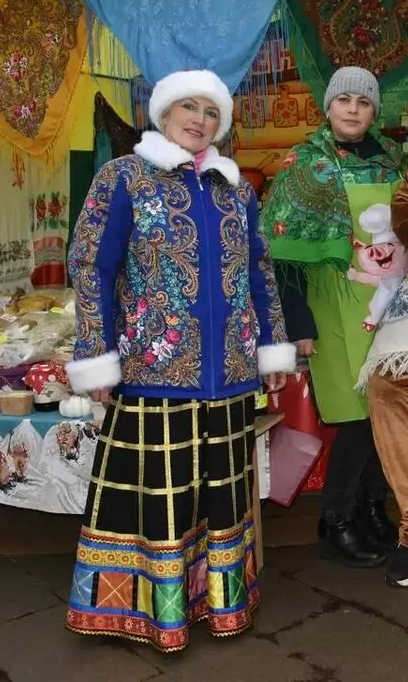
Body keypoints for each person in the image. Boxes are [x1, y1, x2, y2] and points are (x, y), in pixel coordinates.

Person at [63, 69, 297, 652]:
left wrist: (270, 346)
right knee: (159, 499)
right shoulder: (123, 178)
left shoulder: (235, 190)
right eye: (188, 107)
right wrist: (97, 353)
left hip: (231, 377)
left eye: (211, 111)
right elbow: (91, 266)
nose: (199, 119)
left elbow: (258, 271)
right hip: (151, 372)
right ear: (163, 113)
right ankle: (154, 615)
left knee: (221, 496)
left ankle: (220, 606)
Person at [259, 67, 407, 568]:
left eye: (363, 102)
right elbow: (280, 251)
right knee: (355, 416)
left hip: (389, 298)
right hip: (330, 300)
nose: (352, 109)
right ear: (327, 106)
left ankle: (371, 507)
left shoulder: (391, 160)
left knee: (386, 409)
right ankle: (336, 519)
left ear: (373, 110)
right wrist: (297, 323)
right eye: (342, 99)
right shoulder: (305, 163)